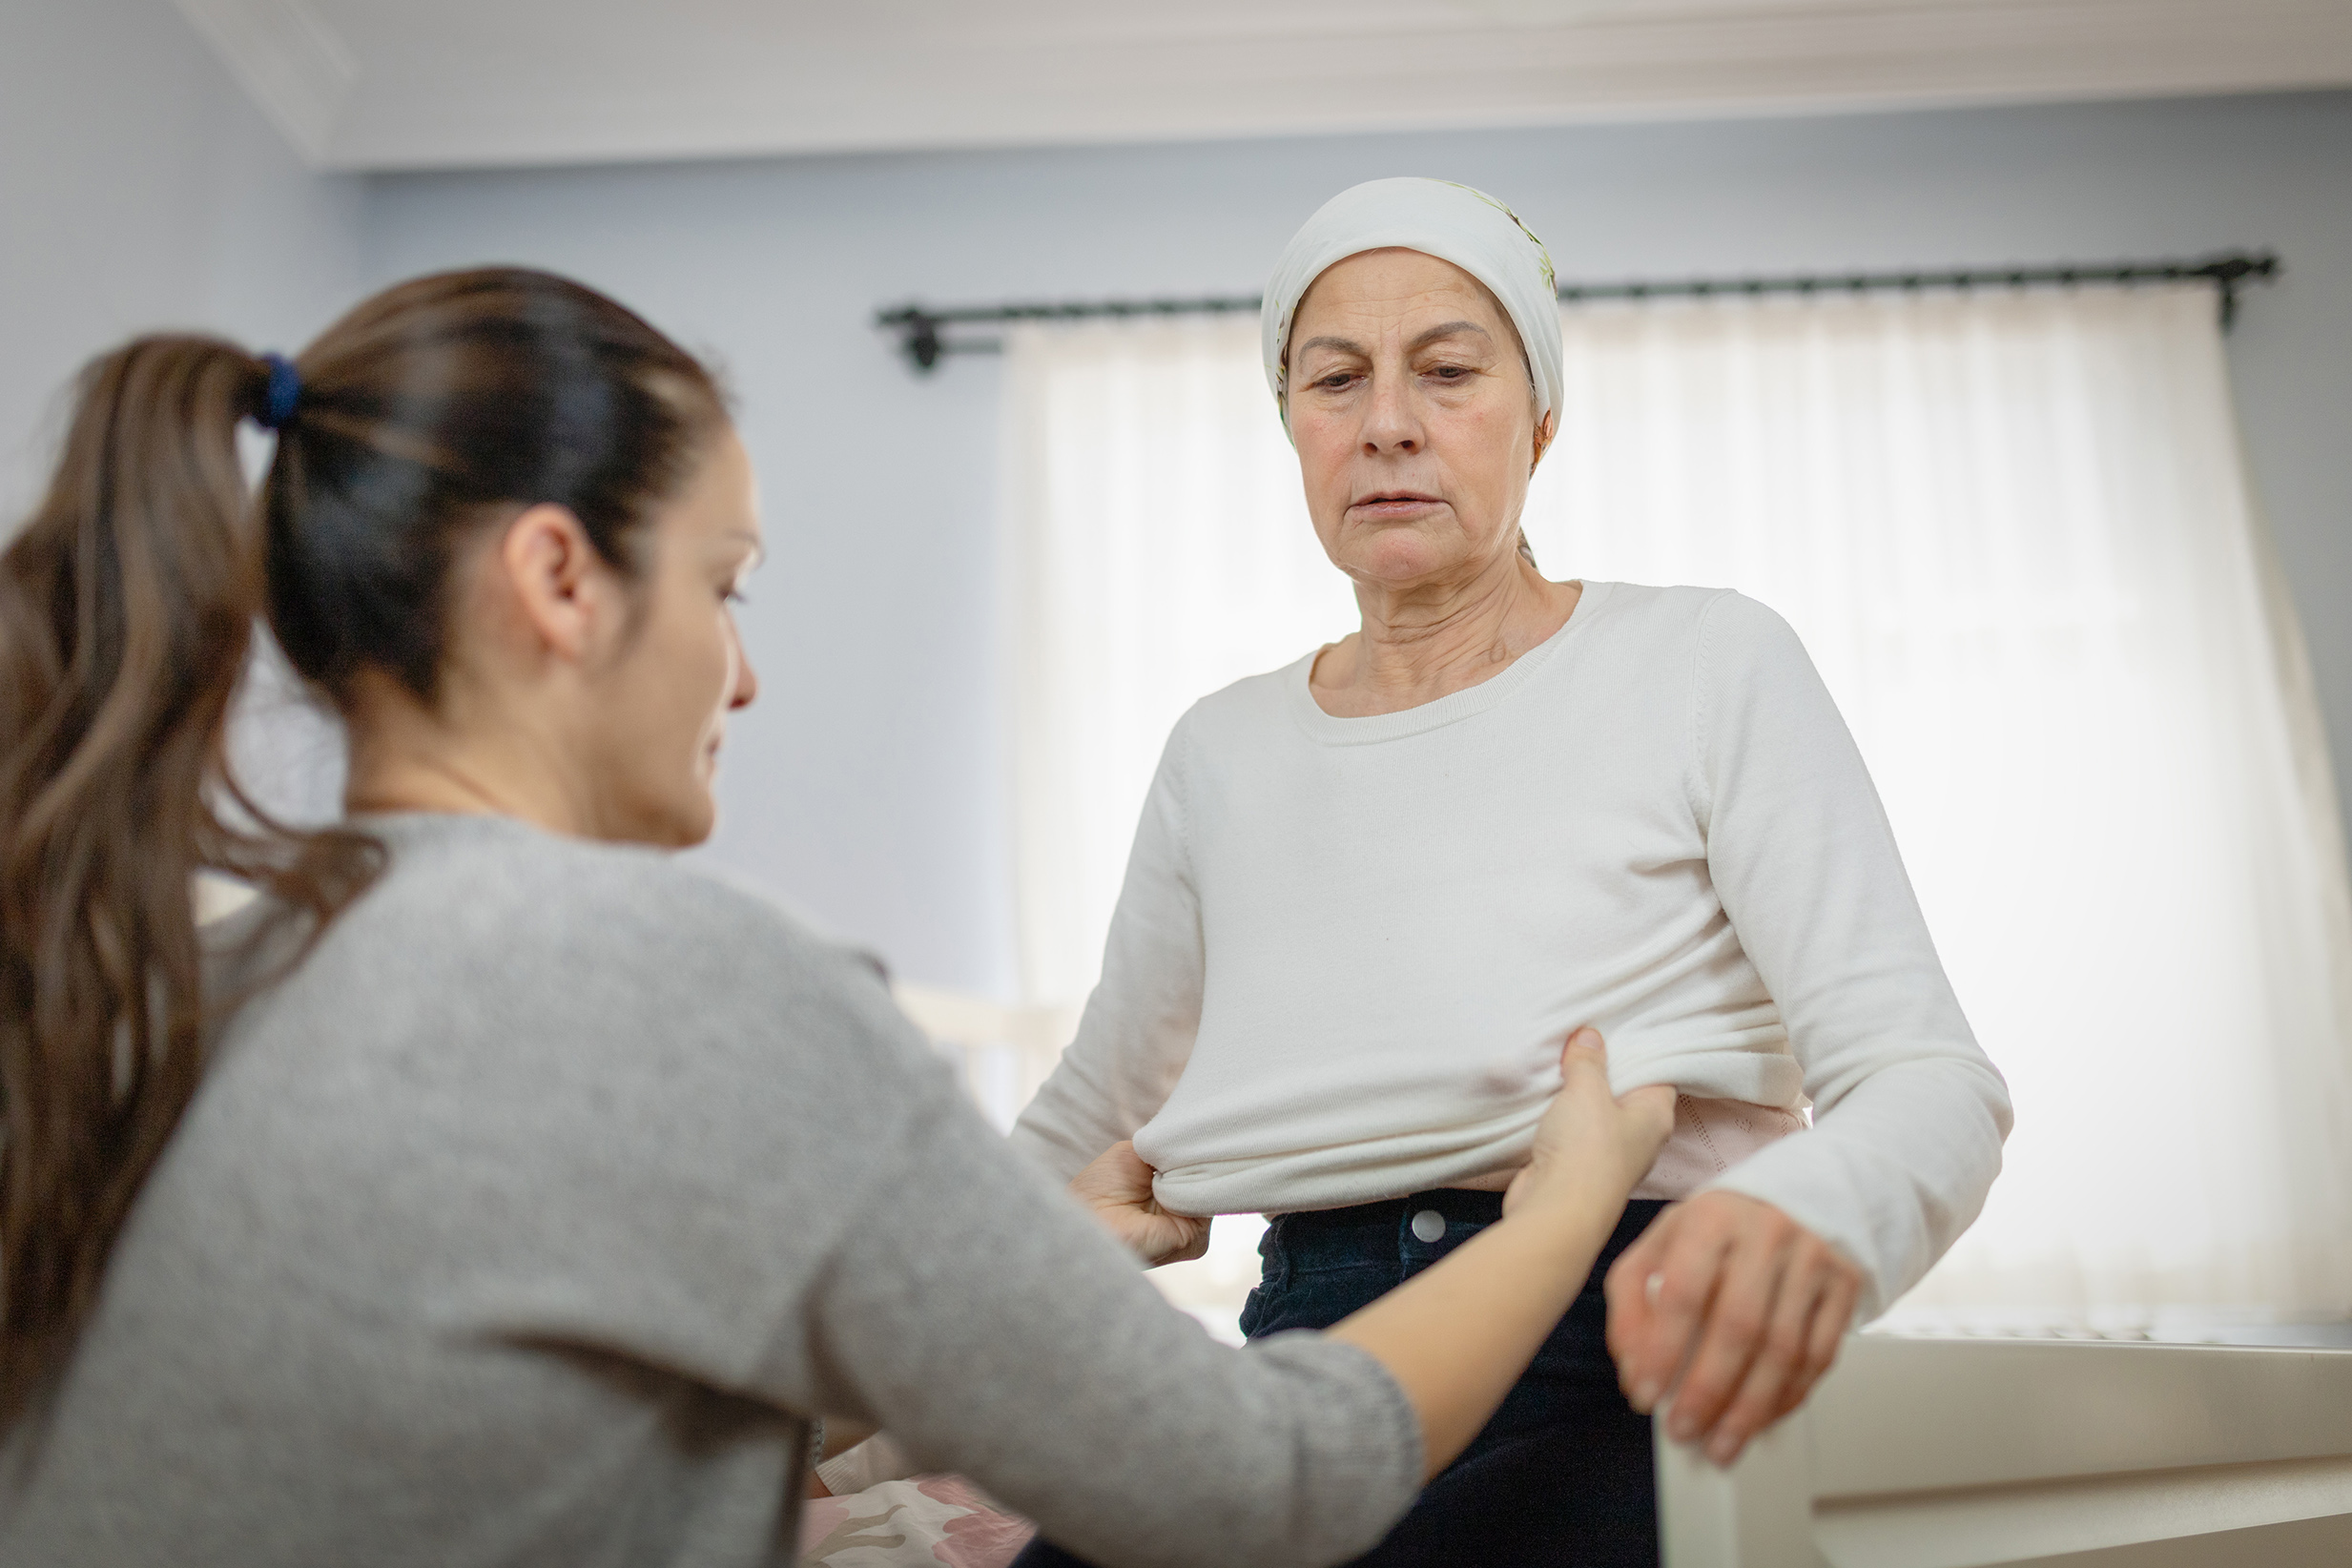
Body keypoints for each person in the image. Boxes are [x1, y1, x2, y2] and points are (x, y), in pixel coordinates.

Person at [0, 267, 1679, 1567]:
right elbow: (1264, 1484)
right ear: (559, 581)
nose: (743, 670)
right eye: (722, 585)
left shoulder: (175, 988)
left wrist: (998, 1288)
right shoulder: (696, 988)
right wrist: (1563, 1210)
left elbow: (494, 1436)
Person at [1005, 179, 2015, 1567]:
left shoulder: (1707, 663)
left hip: (1614, 1356)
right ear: (1291, 425)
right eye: (1334, 379)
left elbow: (1927, 1078)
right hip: (1305, 1360)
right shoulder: (1219, 750)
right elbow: (1088, 1117)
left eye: (1447, 370)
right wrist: (910, 1313)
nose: (1386, 423)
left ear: (1540, 417)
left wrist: (1808, 1216)